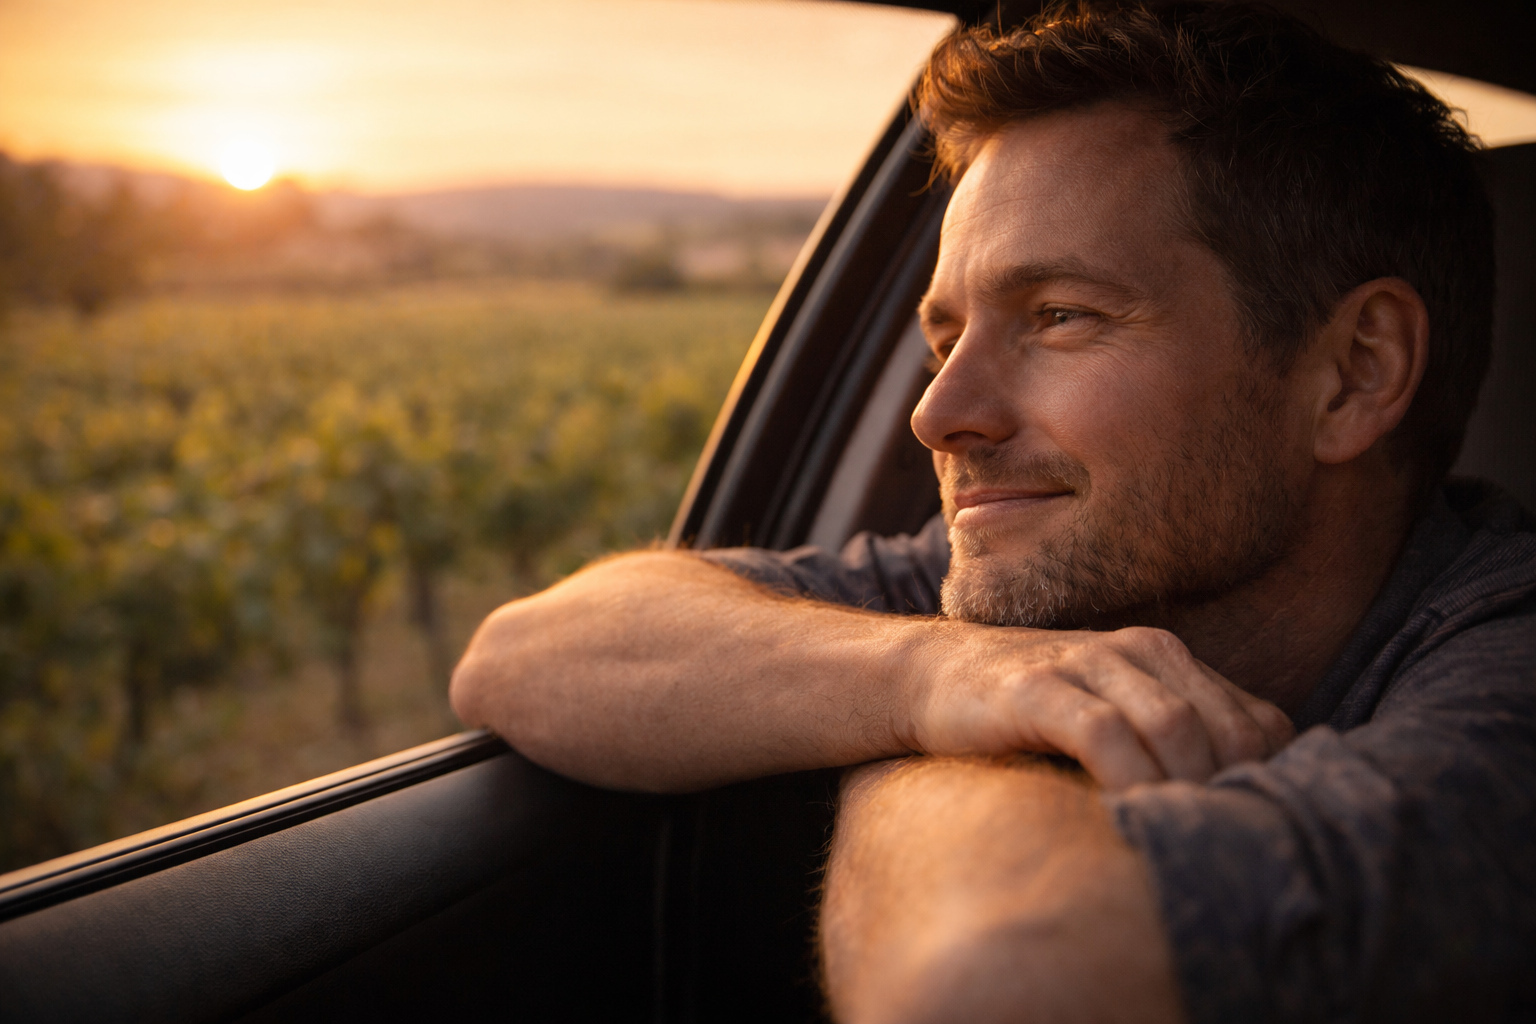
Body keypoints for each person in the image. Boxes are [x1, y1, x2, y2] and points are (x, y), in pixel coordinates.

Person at [451, 2, 1536, 1021]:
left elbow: (988, 974)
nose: (939, 414)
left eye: (1060, 315)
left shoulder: (1508, 668)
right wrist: (934, 677)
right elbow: (521, 653)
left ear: (1353, 372)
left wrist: (933, 722)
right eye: (943, 336)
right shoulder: (1030, 590)